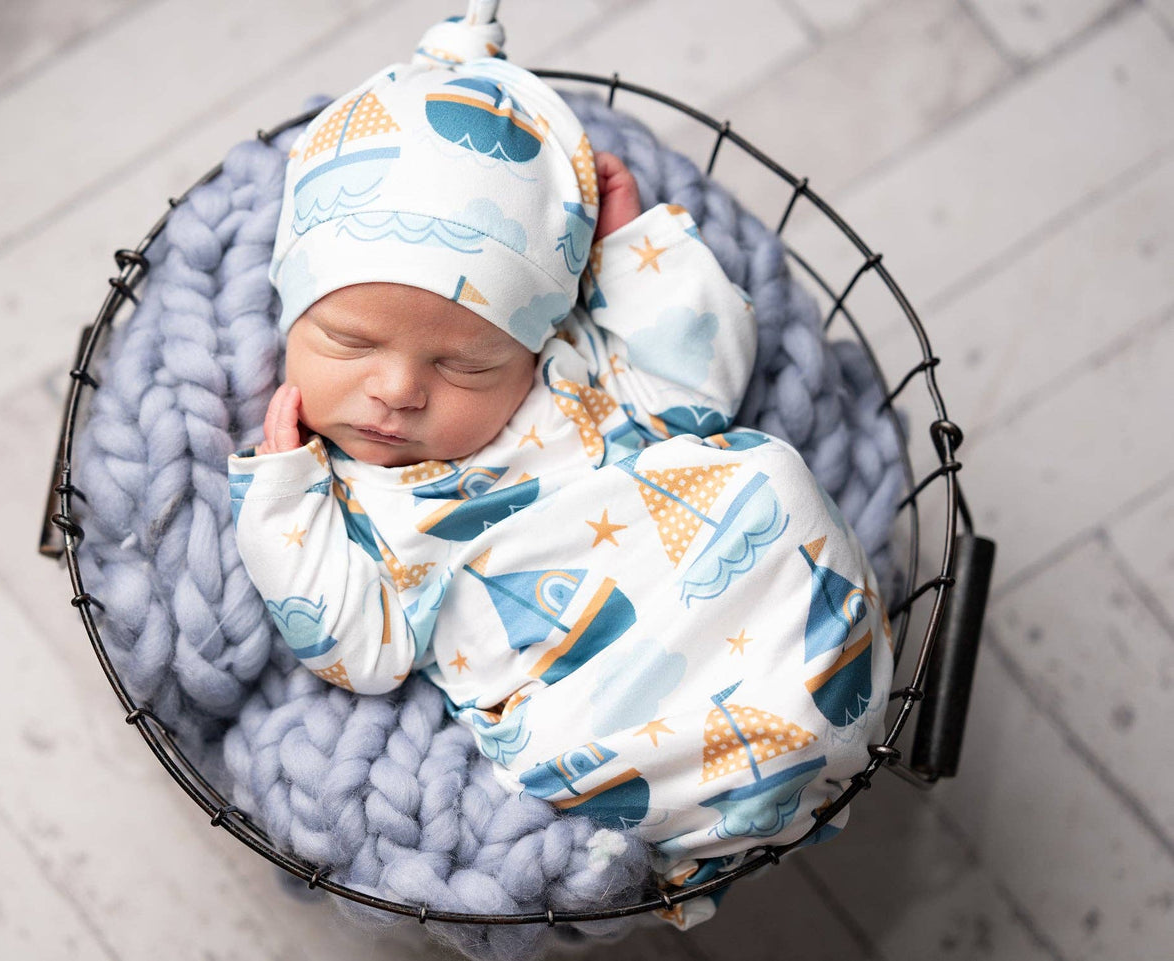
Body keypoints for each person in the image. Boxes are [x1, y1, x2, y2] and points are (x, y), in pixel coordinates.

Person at [228, 1, 892, 928]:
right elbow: (357, 648)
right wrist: (281, 499)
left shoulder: (573, 379)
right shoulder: (358, 503)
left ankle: (804, 748)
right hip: (595, 717)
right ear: (288, 307)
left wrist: (635, 249)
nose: (396, 390)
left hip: (757, 618)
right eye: (345, 340)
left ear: (537, 344)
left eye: (463, 364)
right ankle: (729, 811)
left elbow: (697, 377)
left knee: (768, 476)